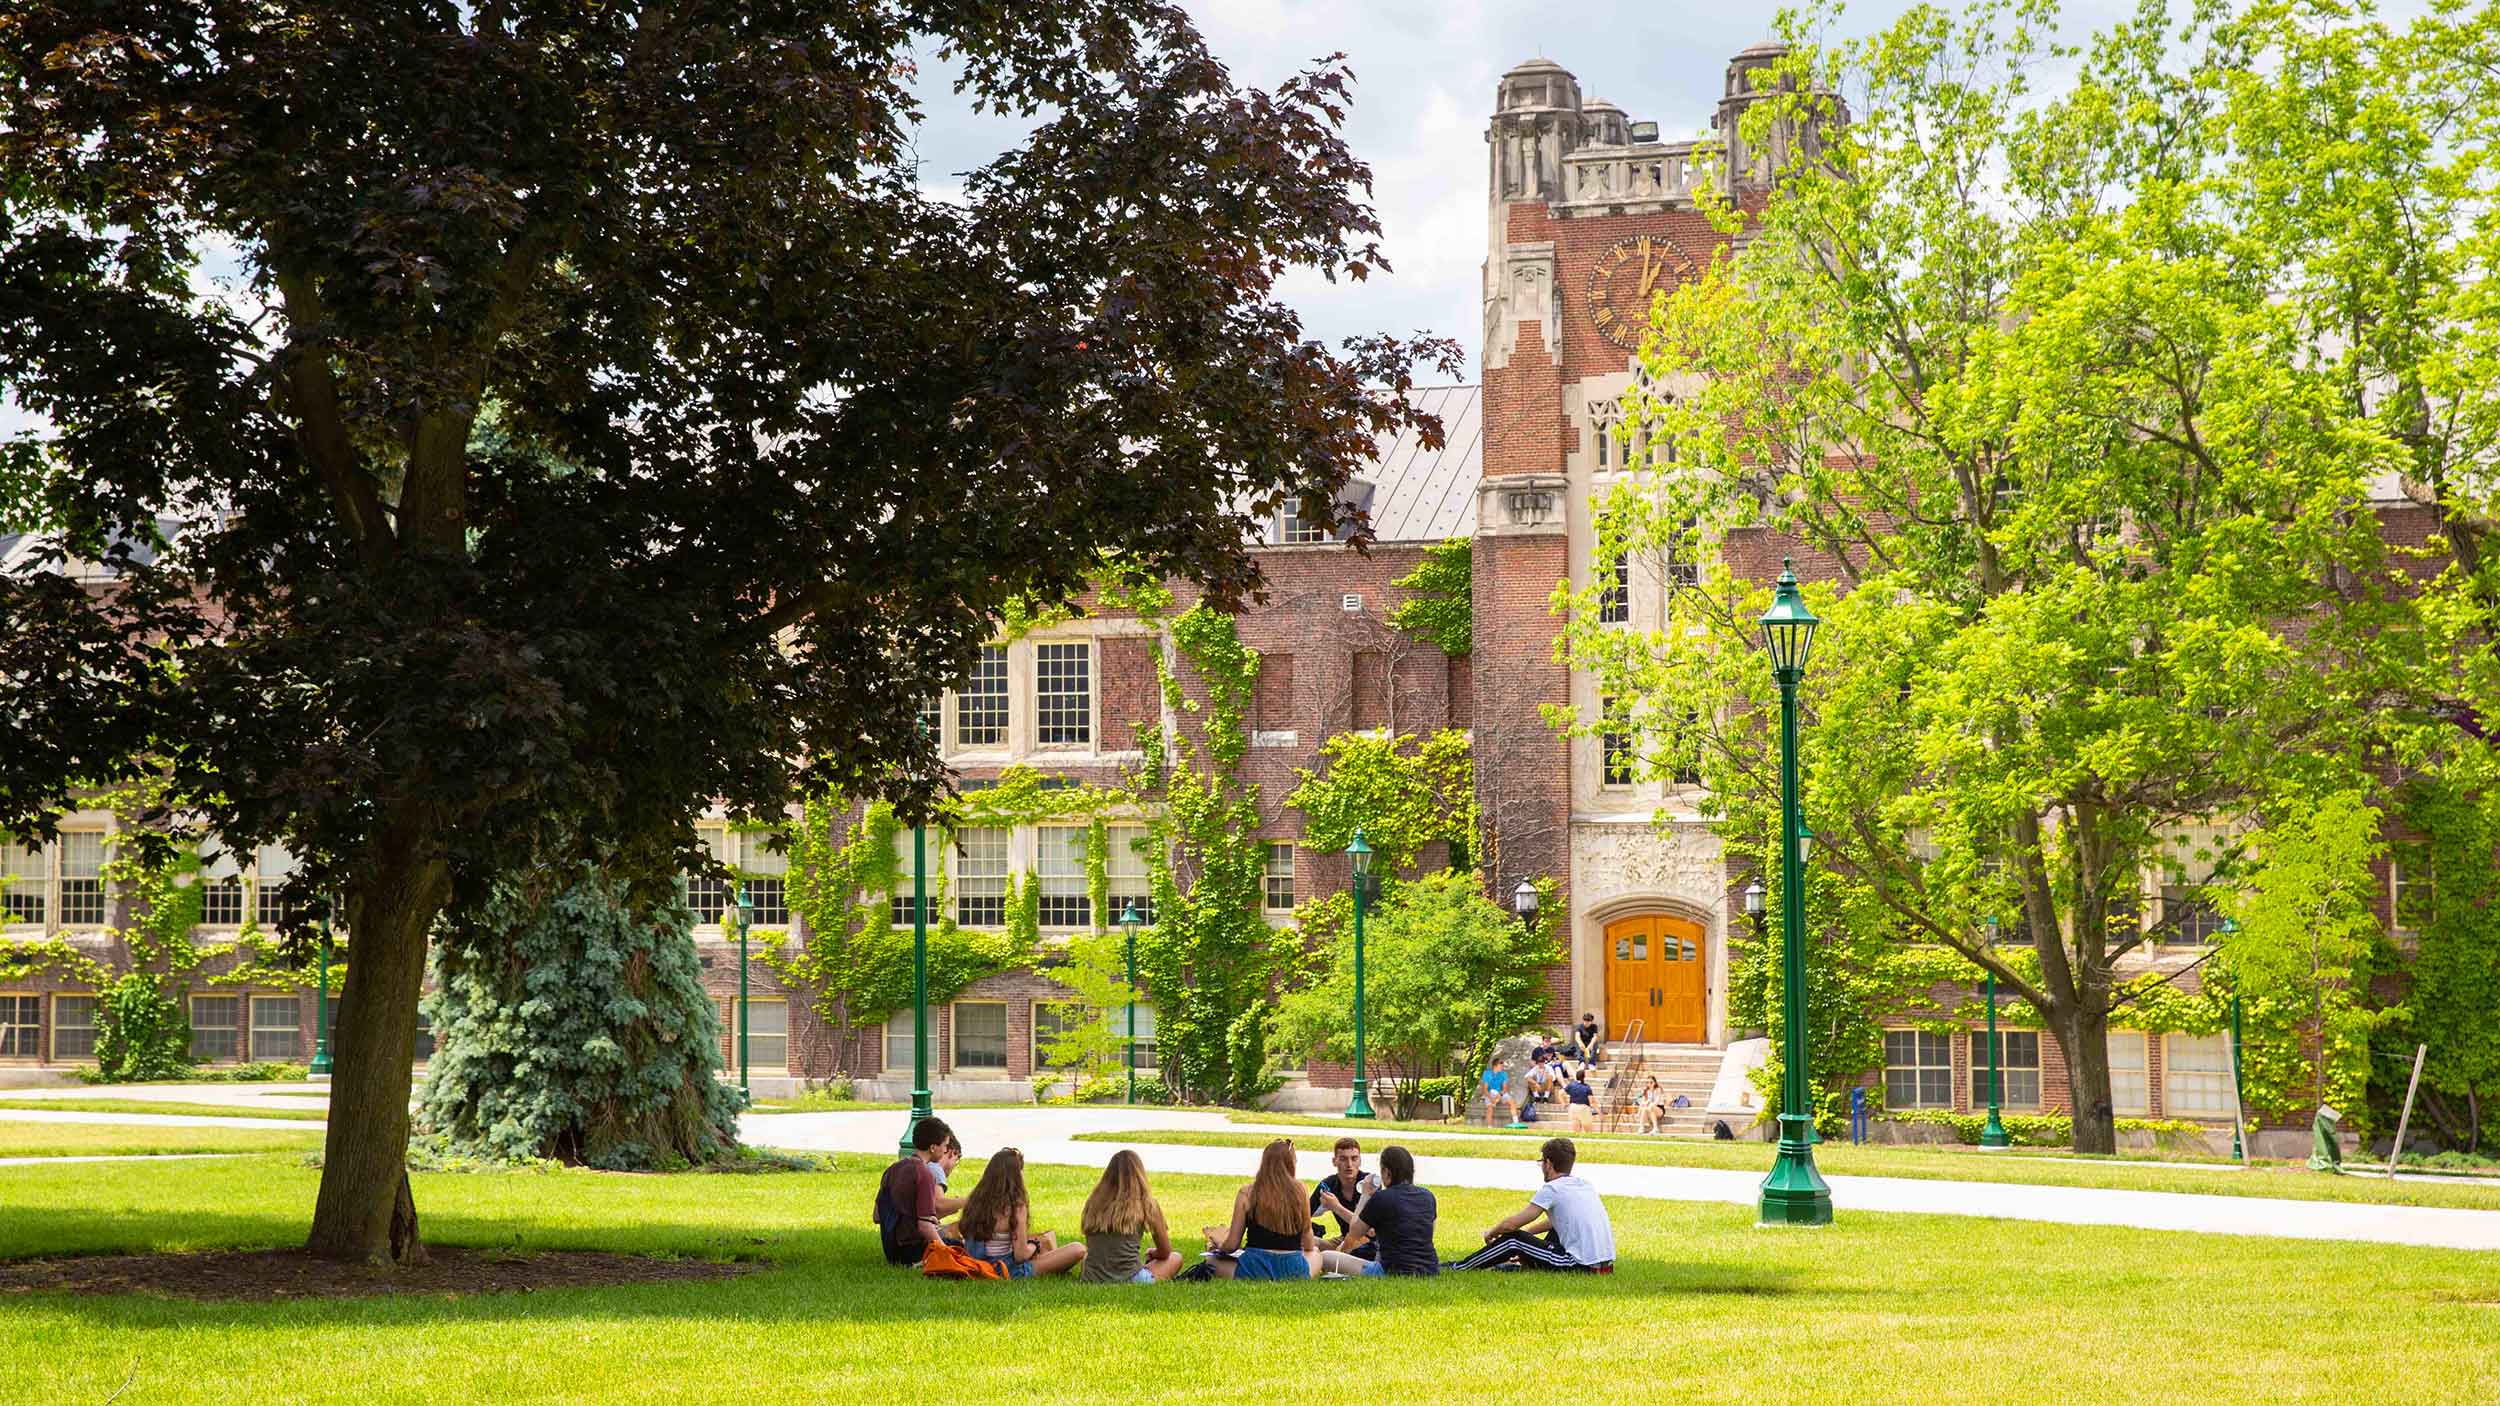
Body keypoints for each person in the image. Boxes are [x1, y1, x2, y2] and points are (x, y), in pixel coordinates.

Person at [1447, 1137, 1616, 1273]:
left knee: (1514, 1239)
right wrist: (1529, 1237)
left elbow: (1511, 1225)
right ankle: (1526, 1265)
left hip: (1579, 1265)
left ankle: (1459, 1268)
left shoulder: (1552, 1188)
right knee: (1534, 1237)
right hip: (1604, 1267)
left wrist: (1491, 1233)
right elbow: (1556, 1222)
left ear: (1548, 1164)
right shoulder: (1584, 1185)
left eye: (1541, 1161)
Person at [1200, 1138, 1322, 1279]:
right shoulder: (1301, 1190)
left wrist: (1218, 1244)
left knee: (1211, 1261)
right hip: (1293, 1267)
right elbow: (1308, 1244)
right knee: (1316, 1253)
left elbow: (1232, 1245)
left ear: (1264, 1163)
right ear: (1291, 1164)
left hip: (1254, 1267)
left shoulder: (1247, 1193)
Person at [957, 1147, 1087, 1278]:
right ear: (1017, 1174)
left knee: (1046, 1239)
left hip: (974, 1265)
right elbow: (1021, 1256)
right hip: (1005, 1270)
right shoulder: (1015, 1206)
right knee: (1077, 1249)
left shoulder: (975, 1201)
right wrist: (1034, 1246)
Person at [1318, 1144, 1439, 1277]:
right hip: (1429, 1269)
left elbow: (1354, 1232)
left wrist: (1365, 1194)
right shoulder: (1428, 1196)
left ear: (1387, 1172)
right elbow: (1429, 1232)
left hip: (1391, 1270)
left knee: (1325, 1257)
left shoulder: (1382, 1198)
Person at [1078, 1150, 1186, 1284]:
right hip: (1131, 1279)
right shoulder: (1147, 1204)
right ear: (1140, 1174)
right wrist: (1153, 1253)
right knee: (1175, 1257)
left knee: (1088, 1256)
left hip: (1092, 1277)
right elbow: (1165, 1252)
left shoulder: (1094, 1201)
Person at [874, 1115, 953, 1266]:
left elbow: (877, 1216)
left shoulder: (892, 1170)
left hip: (891, 1252)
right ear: (933, 1147)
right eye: (945, 1145)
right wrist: (946, 1253)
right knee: (966, 1246)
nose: (946, 1150)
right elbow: (924, 1226)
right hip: (913, 1252)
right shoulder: (924, 1174)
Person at [1310, 1136, 1378, 1262]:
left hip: (1370, 1243)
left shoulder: (1370, 1185)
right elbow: (1305, 1213)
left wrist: (1336, 1207)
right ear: (1334, 1161)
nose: (1349, 1165)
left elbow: (1372, 1231)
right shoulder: (1328, 1185)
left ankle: (1328, 1260)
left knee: (1340, 1252)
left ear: (1360, 1161)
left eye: (1354, 1158)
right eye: (1343, 1159)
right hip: (1344, 1238)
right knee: (1309, 1242)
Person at [1480, 1059, 1518, 1128]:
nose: (1502, 1068)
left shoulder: (1504, 1074)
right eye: (1501, 1066)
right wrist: (1491, 1099)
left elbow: (1505, 1089)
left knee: (1512, 1102)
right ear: (1495, 1066)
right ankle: (1490, 1127)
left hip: (1500, 1093)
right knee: (1490, 1108)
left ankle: (1516, 1123)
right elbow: (1485, 1090)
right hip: (1489, 1093)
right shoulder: (1487, 1074)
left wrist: (1498, 1097)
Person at [1564, 1066, 1596, 1132]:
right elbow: (1591, 1101)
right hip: (1584, 1108)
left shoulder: (1571, 1085)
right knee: (1588, 1131)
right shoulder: (1586, 1087)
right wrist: (1597, 1111)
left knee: (1575, 1132)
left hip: (1573, 1107)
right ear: (1584, 1077)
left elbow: (1561, 1093)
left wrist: (1564, 1103)